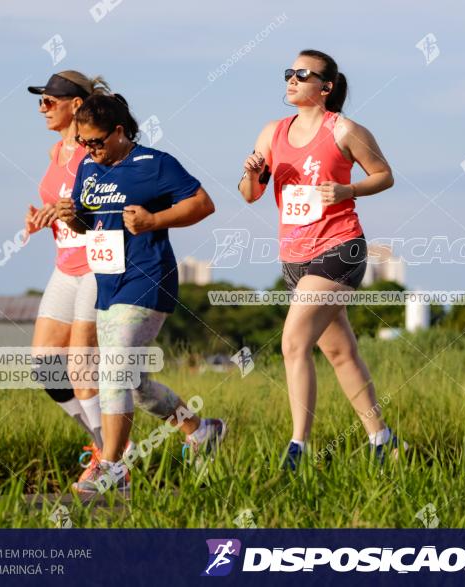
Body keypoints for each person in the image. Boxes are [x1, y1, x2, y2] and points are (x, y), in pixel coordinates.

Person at [238, 49, 403, 470]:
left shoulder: (345, 129)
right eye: (289, 72)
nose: (291, 79)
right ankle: (383, 441)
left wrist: (349, 191)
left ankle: (298, 448)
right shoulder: (271, 132)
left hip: (340, 248)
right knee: (341, 353)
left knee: (293, 342)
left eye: (302, 74)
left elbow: (384, 174)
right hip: (294, 256)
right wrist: (254, 173)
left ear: (325, 87)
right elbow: (250, 194)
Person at [56, 93, 226, 496]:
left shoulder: (155, 164)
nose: (89, 149)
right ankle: (201, 430)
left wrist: (155, 219)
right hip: (109, 282)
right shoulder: (88, 168)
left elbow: (203, 204)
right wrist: (72, 218)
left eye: (96, 141)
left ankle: (111, 466)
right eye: (83, 142)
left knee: (113, 369)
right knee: (136, 384)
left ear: (119, 132)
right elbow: (88, 222)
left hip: (148, 277)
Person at [25, 71, 129, 484]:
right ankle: (105, 447)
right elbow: (58, 204)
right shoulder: (55, 152)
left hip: (98, 262)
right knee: (45, 364)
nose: (42, 109)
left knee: (81, 358)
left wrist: (73, 210)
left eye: (49, 101)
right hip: (64, 264)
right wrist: (42, 219)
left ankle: (112, 465)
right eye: (40, 102)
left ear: (75, 105)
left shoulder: (97, 152)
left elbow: (112, 200)